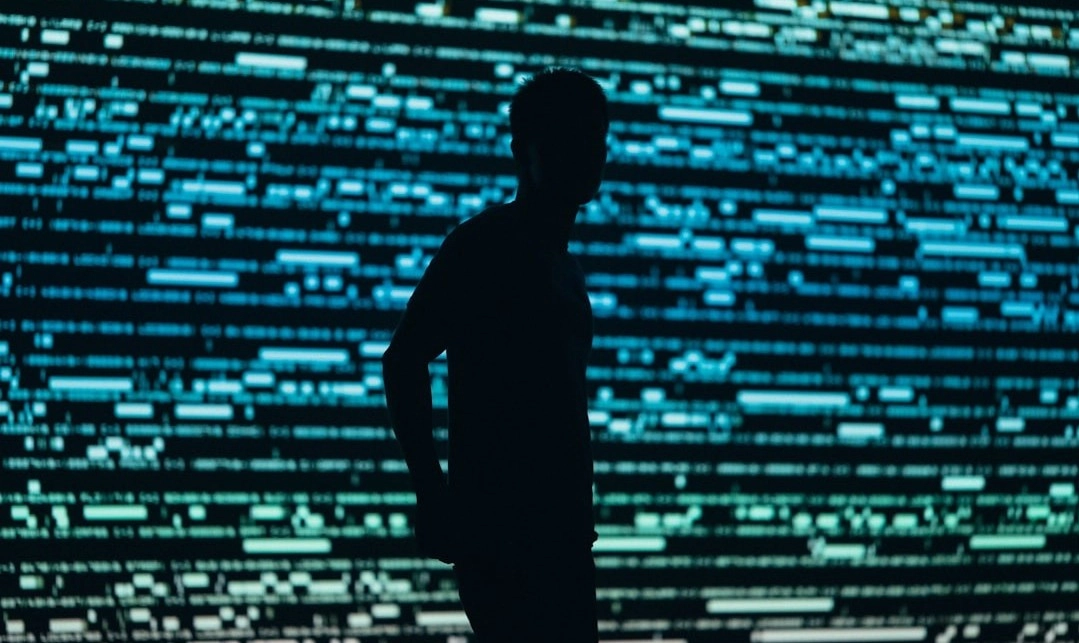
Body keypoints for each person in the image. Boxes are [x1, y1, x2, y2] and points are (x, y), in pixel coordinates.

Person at [381, 66, 609, 642]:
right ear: (522, 150)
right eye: (568, 141)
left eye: (594, 140)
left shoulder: (561, 265)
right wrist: (433, 494)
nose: (587, 155)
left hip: (557, 540)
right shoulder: (485, 247)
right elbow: (404, 358)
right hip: (511, 544)